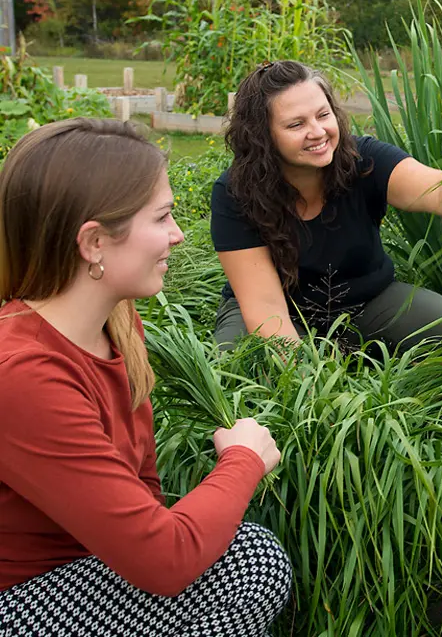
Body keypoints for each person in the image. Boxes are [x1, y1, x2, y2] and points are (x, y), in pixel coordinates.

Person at [0, 118, 293, 635]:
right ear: (93, 242)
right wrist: (243, 459)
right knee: (255, 562)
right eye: (162, 217)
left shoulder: (117, 321)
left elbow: (143, 485)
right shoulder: (22, 374)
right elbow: (164, 561)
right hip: (22, 601)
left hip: (93, 570)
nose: (178, 235)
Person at [211, 60, 442, 353]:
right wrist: (310, 392)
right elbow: (266, 308)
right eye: (296, 125)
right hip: (279, 309)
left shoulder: (364, 160)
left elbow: (441, 191)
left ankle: (344, 353)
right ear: (262, 136)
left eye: (323, 115)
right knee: (242, 358)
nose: (317, 132)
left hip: (363, 304)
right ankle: (320, 361)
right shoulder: (236, 192)